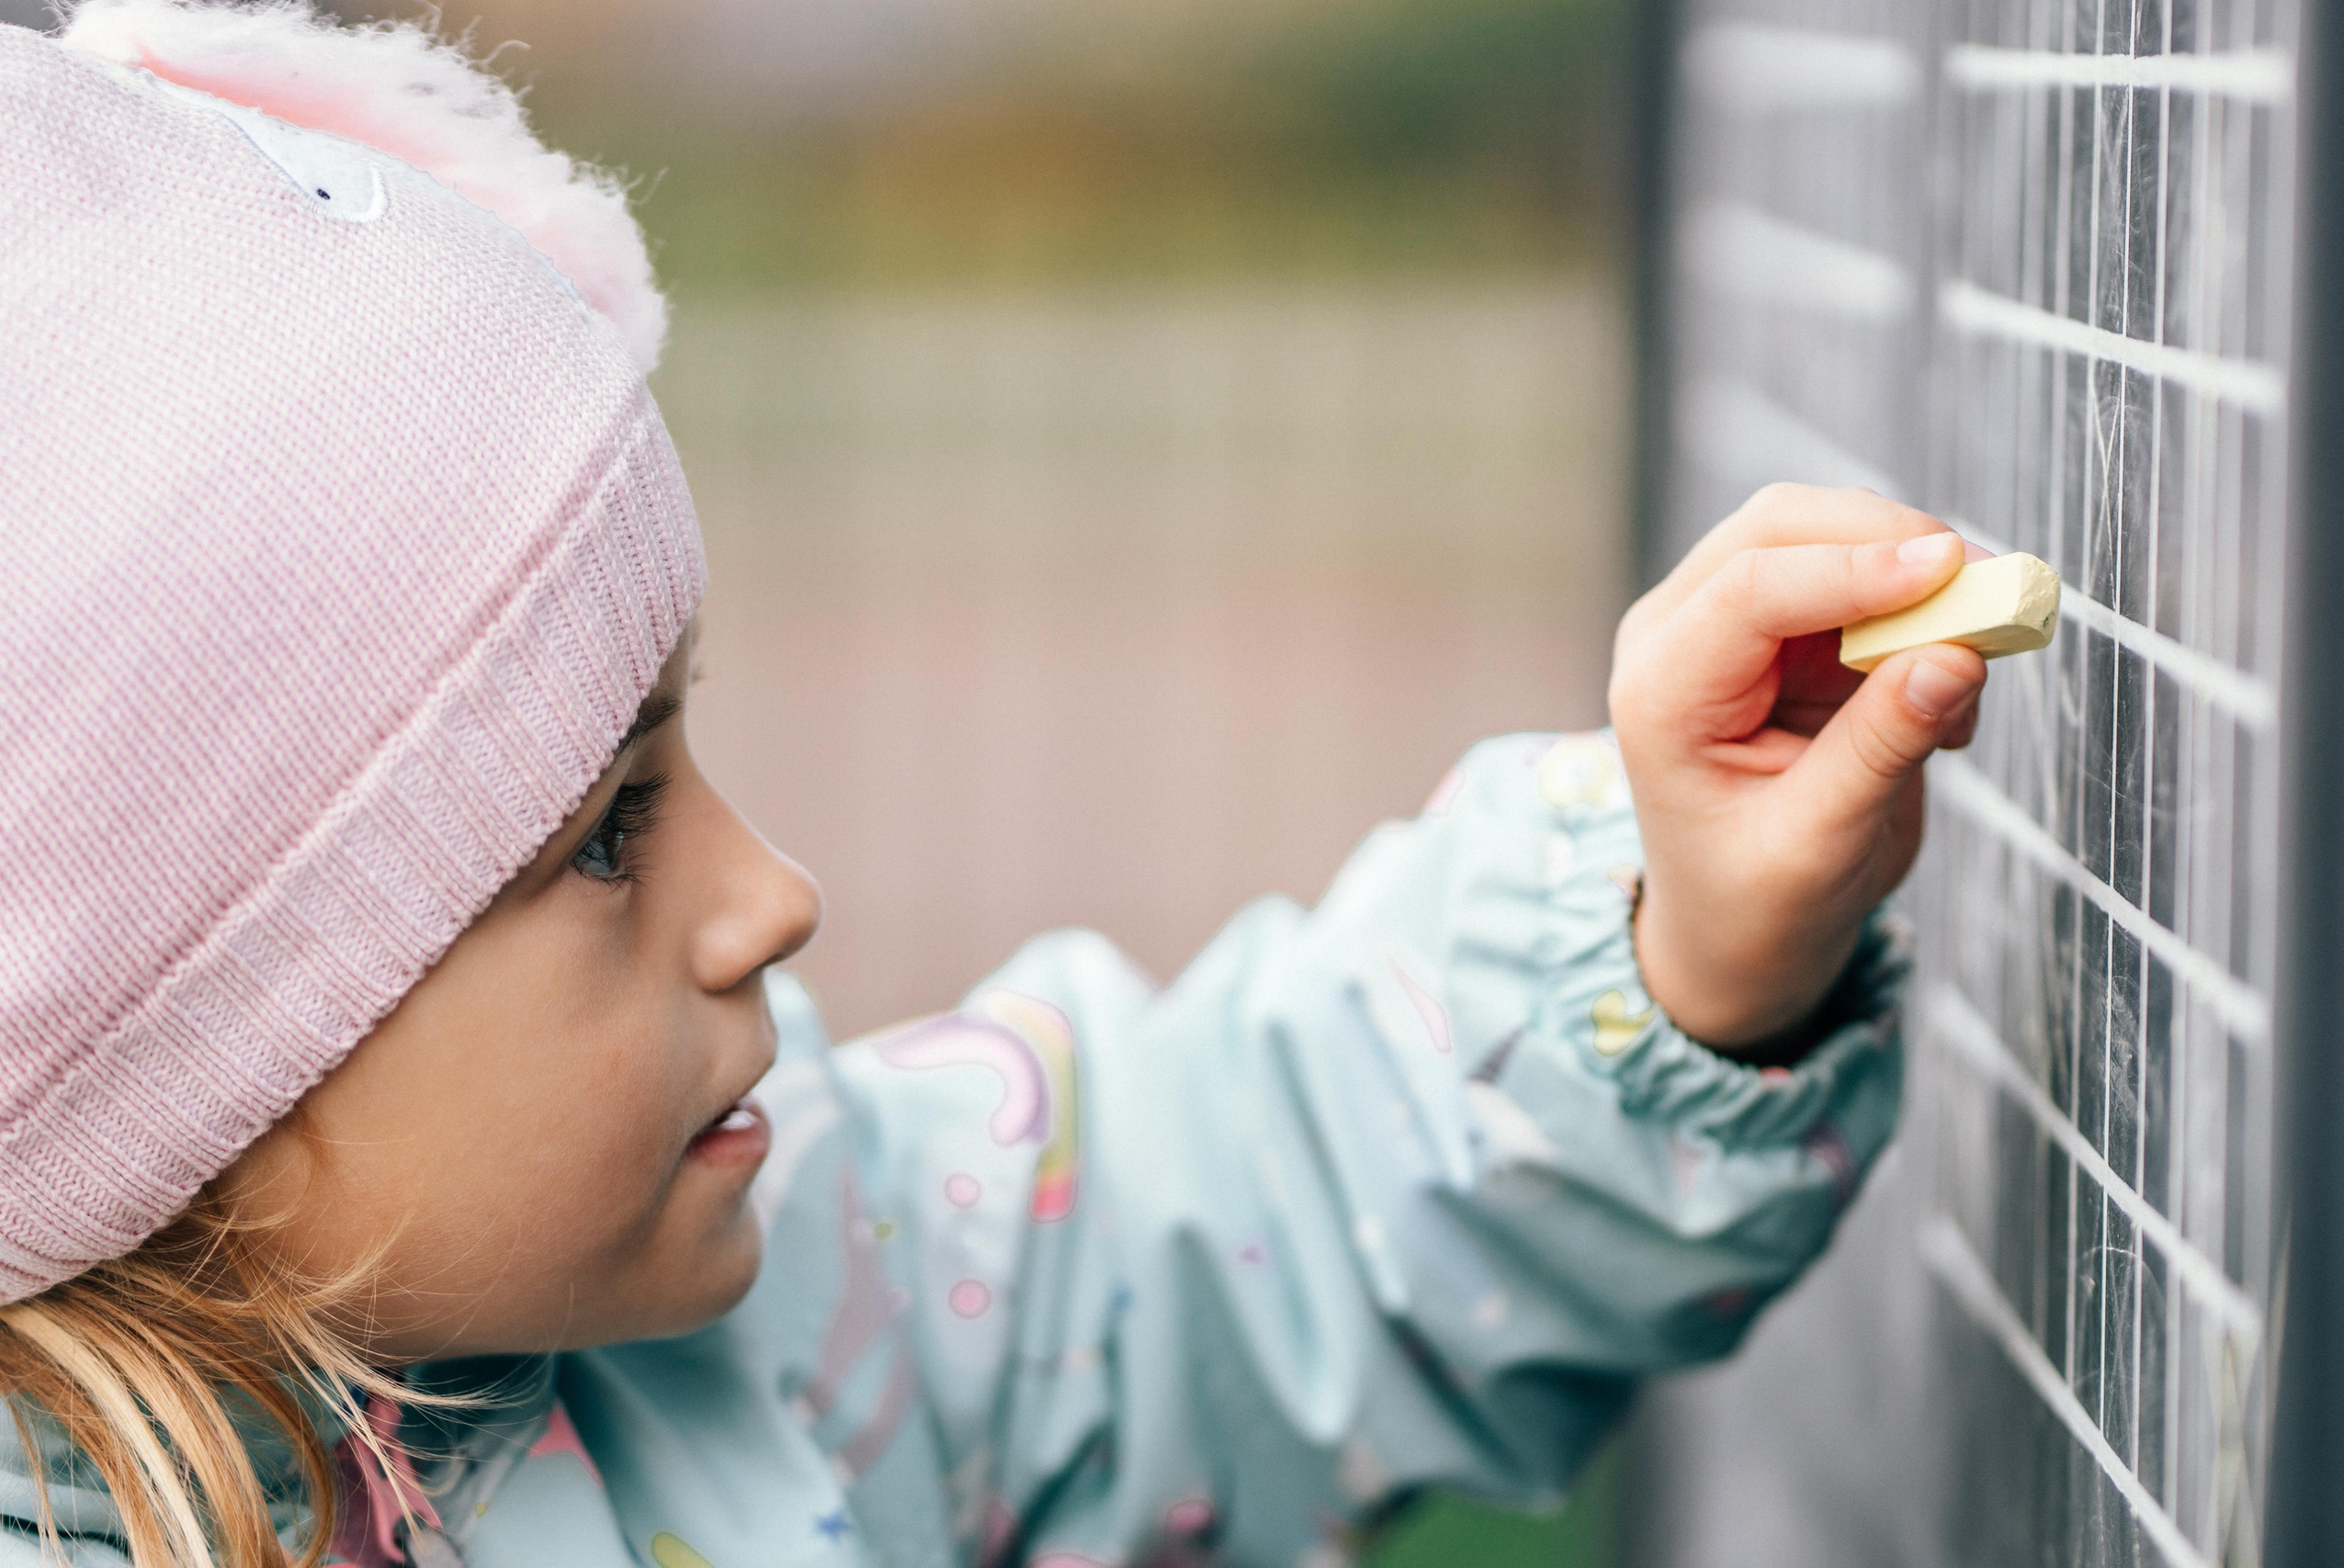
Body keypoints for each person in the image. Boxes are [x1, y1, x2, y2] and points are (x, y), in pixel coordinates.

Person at [0, 3, 1988, 1565]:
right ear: (165, 1075)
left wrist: (1665, 957)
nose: (769, 895)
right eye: (603, 833)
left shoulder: (781, 1327)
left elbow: (1241, 1216)